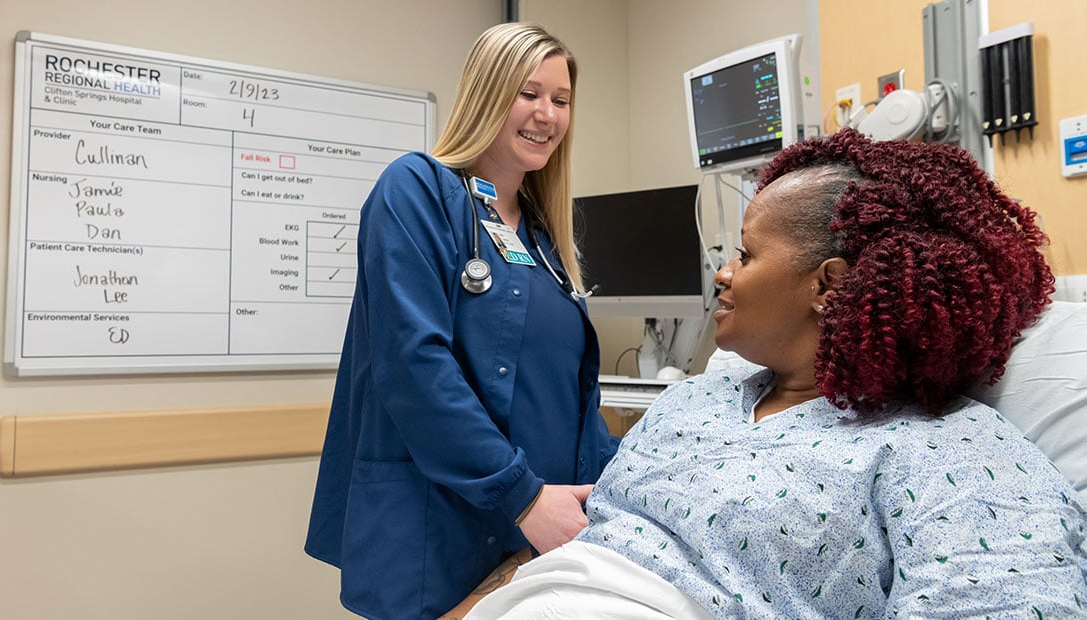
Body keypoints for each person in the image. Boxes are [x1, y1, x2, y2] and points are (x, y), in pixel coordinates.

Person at [463, 129, 1087, 618]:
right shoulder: (694, 402)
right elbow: (589, 547)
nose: (724, 273)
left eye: (746, 252)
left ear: (828, 285)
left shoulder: (949, 454)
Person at [304, 22, 620, 619]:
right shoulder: (417, 190)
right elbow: (415, 366)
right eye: (529, 93)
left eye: (561, 100)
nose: (546, 114)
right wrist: (523, 496)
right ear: (487, 92)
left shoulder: (545, 237)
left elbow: (566, 398)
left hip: (539, 541)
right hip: (445, 527)